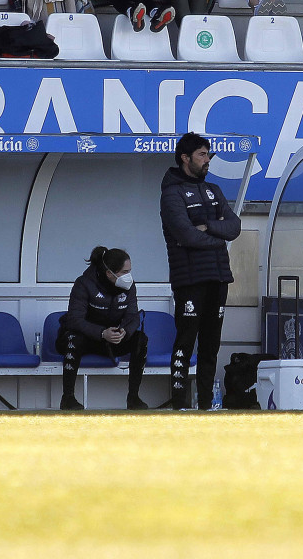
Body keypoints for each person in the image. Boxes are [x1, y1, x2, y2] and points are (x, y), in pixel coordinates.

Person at [160, 133, 240, 410]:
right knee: (186, 340)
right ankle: (179, 403)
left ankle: (206, 405)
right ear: (185, 158)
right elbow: (186, 235)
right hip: (190, 279)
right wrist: (218, 237)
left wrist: (210, 227)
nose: (207, 160)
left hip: (218, 277)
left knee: (211, 345)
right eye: (202, 155)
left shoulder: (214, 190)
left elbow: (235, 227)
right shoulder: (172, 193)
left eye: (209, 155)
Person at [56, 246, 148, 410]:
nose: (129, 276)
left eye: (130, 271)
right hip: (87, 339)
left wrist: (124, 332)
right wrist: (101, 333)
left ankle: (133, 398)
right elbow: (74, 320)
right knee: (73, 339)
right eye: (124, 272)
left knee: (140, 339)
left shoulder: (129, 287)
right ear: (109, 273)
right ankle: (68, 398)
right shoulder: (84, 283)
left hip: (112, 340)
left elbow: (133, 316)